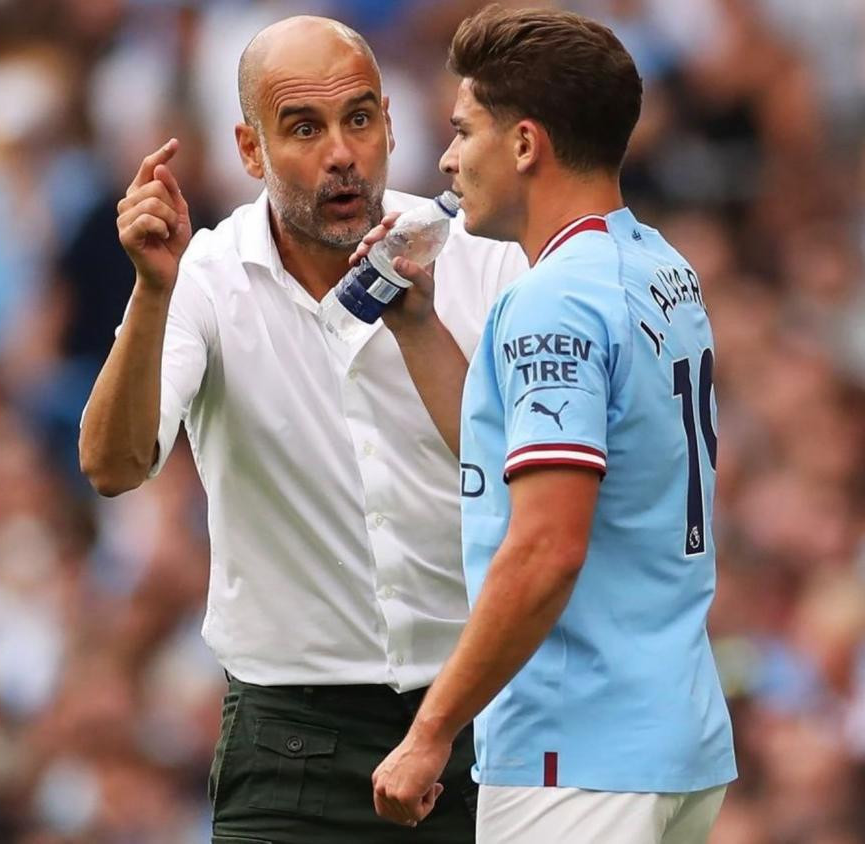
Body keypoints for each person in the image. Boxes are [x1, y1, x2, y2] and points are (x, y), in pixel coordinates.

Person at [78, 15, 528, 844]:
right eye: (303, 128)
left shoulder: (487, 256)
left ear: (391, 123)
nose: (342, 152)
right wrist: (150, 295)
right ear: (249, 152)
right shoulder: (203, 277)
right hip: (292, 746)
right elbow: (112, 464)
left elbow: (524, 478)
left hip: (487, 723)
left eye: (359, 118)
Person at [358, 6, 737, 841]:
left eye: (462, 132)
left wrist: (431, 731)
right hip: (674, 737)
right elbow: (523, 462)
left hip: (580, 746)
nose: (449, 161)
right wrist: (419, 324)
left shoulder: (551, 299)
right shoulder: (659, 265)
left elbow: (546, 546)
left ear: (525, 144)